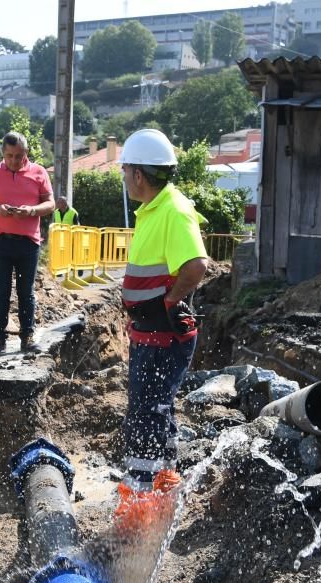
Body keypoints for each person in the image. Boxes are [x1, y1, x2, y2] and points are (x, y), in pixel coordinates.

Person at [114, 128, 208, 534]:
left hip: (163, 338)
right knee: (156, 412)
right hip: (150, 335)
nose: (123, 177)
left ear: (138, 174)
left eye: (125, 170)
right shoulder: (155, 207)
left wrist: (165, 305)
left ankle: (140, 506)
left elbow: (196, 267)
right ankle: (164, 486)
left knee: (145, 418)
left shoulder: (173, 209)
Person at [0, 132, 55, 357]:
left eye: (19, 156)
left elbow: (50, 204)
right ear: (3, 153)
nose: (14, 161)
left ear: (26, 153)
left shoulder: (39, 172)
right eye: (9, 156)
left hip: (28, 242)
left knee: (26, 291)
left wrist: (31, 211)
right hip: (0, 241)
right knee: (1, 291)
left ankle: (27, 337)